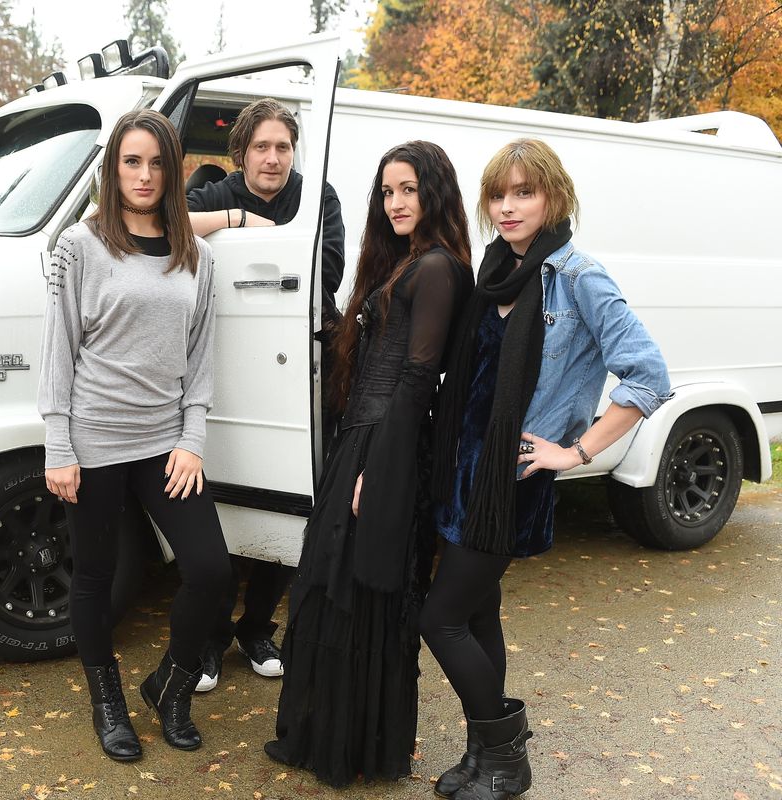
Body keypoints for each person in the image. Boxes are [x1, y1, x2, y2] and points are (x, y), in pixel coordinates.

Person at [422, 138, 671, 799]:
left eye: (523, 192)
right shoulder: (497, 270)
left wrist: (577, 450)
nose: (508, 206)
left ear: (554, 196)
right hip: (465, 471)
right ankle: (484, 758)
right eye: (498, 194)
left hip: (514, 478)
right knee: (477, 614)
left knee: (438, 618)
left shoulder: (578, 276)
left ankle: (507, 758)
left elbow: (648, 375)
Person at [263, 140, 475, 786]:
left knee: (362, 597)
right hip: (362, 440)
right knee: (329, 591)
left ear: (434, 191)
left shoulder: (437, 268)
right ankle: (320, 735)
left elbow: (416, 380)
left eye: (408, 189)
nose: (396, 202)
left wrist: (373, 474)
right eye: (387, 192)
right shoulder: (402, 264)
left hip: (386, 450)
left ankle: (354, 749)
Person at [38, 109, 231, 761]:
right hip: (92, 441)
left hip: (164, 443)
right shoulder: (80, 245)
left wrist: (192, 437)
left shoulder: (194, 255)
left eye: (157, 163)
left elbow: (201, 355)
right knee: (95, 577)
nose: (145, 175)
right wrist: (58, 446)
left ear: (172, 171)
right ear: (112, 167)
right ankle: (108, 703)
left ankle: (170, 686)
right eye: (132, 161)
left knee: (210, 571)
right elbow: (58, 350)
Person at [185, 97, 346, 690]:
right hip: (233, 369)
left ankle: (256, 629)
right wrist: (237, 224)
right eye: (262, 147)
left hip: (302, 369)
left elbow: (324, 271)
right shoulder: (220, 194)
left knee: (291, 505)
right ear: (241, 153)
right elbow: (166, 224)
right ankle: (208, 639)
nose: (274, 158)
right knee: (227, 510)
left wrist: (252, 256)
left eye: (283, 147)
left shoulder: (316, 197)